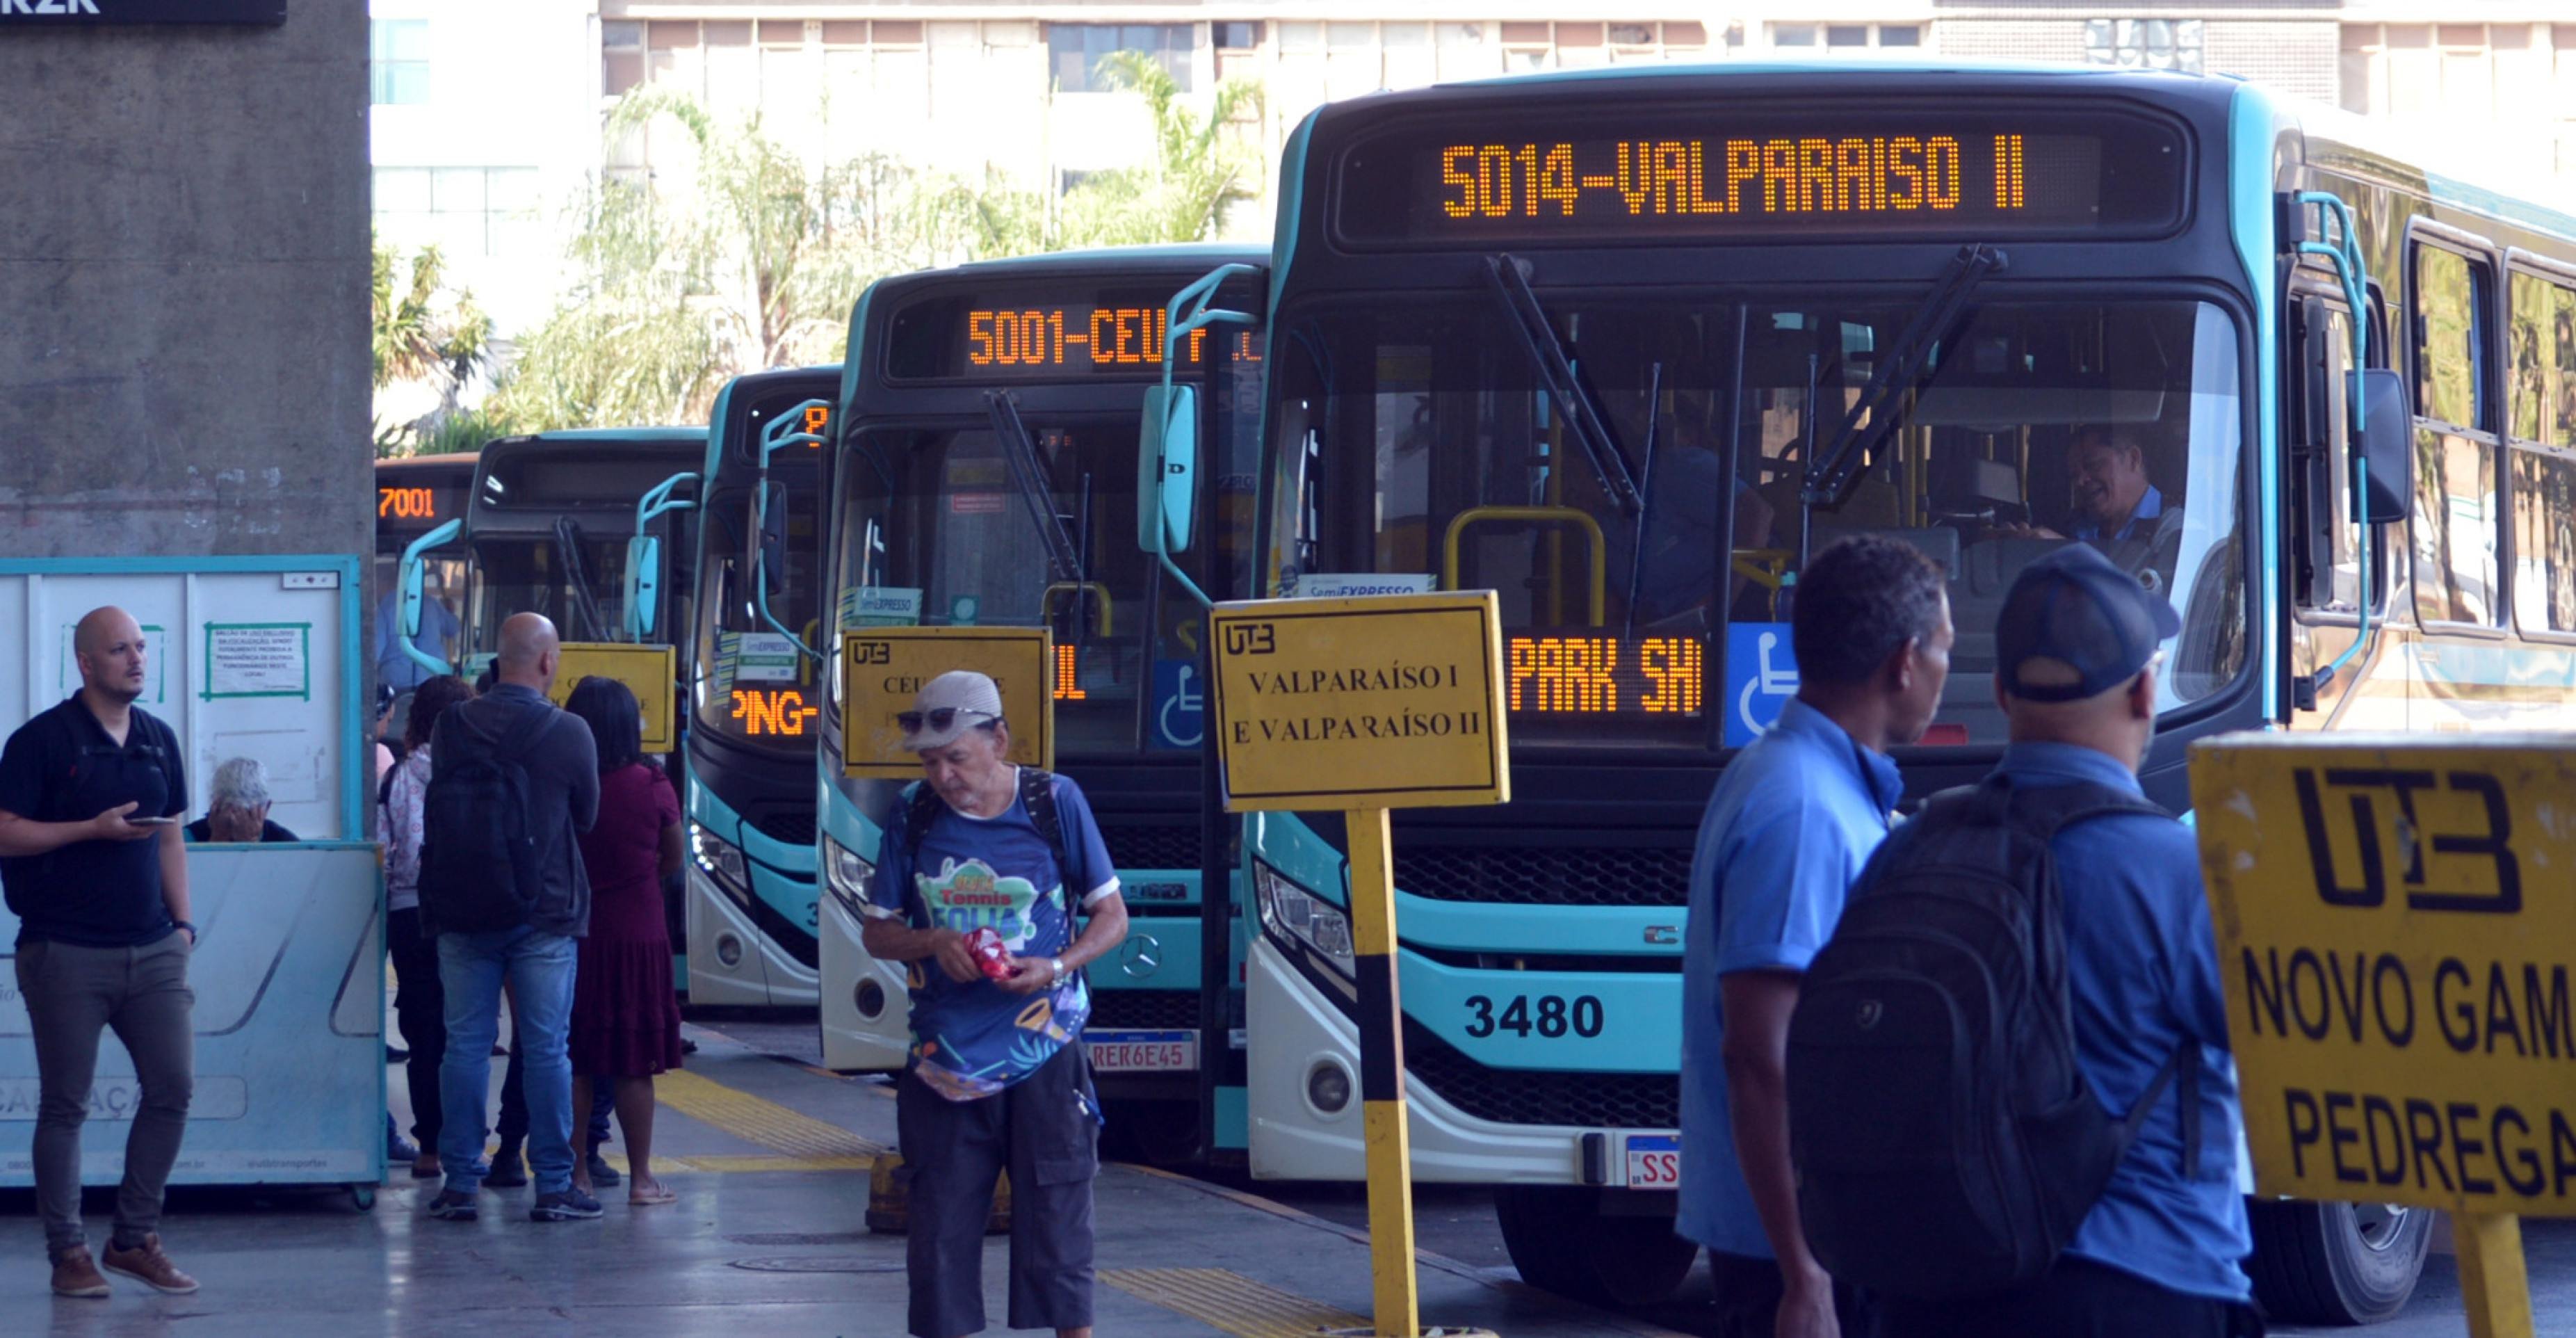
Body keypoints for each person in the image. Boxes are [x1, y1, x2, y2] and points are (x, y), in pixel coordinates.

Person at [1870, 544, 2254, 1337]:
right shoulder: (2181, 874)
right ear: (2147, 689)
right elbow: (2287, 1046)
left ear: (2004, 691)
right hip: (2139, 1285)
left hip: (1927, 1291)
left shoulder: (1904, 853)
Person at [1678, 536, 1953, 1338]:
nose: (1944, 670)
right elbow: (1760, 1055)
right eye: (1943, 650)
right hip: (1803, 1255)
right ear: (1904, 662)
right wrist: (1806, 1276)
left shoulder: (1791, 776)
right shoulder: (1801, 810)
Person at [860, 670, 1130, 1338]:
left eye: (956, 757)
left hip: (1045, 1047)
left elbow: (1111, 916)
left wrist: (1056, 965)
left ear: (999, 740)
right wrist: (933, 939)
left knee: (1059, 1222)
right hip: (943, 1062)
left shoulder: (1053, 801)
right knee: (940, 1235)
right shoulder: (913, 812)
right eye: (930, 760)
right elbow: (876, 929)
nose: (944, 775)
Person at [0, 606, 200, 1298]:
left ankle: (133, 1237)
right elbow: (6, 833)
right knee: (67, 1103)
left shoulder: (158, 740)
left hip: (152, 948)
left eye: (143, 647)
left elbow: (170, 835)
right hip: (65, 949)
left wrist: (183, 925)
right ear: (86, 663)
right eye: (120, 650)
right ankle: (69, 1253)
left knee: (173, 1088)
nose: (137, 660)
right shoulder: (41, 741)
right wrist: (90, 828)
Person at [421, 612, 602, 1225]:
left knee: (465, 1046)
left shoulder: (451, 725)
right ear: (548, 661)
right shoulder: (570, 731)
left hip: (463, 909)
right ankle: (553, 1185)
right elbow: (588, 816)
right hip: (545, 912)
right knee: (547, 1048)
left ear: (498, 661)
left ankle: (460, 1184)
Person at [561, 676, 685, 1207]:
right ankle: (640, 1180)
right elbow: (673, 856)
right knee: (634, 1061)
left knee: (578, 1058)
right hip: (639, 932)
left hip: (578, 930)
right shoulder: (651, 783)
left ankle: (576, 1175)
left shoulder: (567, 782)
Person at [382, 675, 474, 1179]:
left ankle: (430, 1150)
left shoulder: (396, 777)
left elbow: (384, 849)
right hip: (462, 912)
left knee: (422, 1036)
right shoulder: (475, 773)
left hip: (406, 914)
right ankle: (468, 1143)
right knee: (465, 1032)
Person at [375, 575, 462, 693]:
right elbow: (452, 628)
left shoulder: (386, 606)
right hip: (433, 679)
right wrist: (450, 612)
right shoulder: (431, 602)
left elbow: (376, 649)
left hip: (398, 682)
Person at [182, 757, 298, 844]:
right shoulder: (184, 840)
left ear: (266, 808)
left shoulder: (287, 845)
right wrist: (218, 840)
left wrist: (250, 843)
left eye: (248, 814)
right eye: (228, 810)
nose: (235, 821)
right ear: (214, 806)